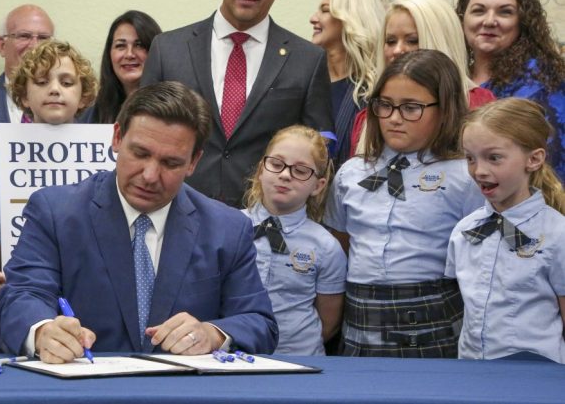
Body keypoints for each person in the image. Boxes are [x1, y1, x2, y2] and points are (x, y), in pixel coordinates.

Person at [0, 81, 278, 363]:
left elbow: (259, 322)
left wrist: (213, 334)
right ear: (117, 137)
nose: (150, 175)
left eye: (170, 163)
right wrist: (44, 331)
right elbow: (21, 298)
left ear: (194, 162)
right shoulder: (56, 212)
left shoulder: (227, 228)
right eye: (140, 154)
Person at [141, 0, 333, 208]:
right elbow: (144, 134)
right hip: (175, 215)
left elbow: (319, 151)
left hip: (264, 229)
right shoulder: (168, 49)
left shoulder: (308, 61)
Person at [324, 50, 484, 357]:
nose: (395, 118)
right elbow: (338, 248)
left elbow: (478, 262)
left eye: (412, 108)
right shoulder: (351, 173)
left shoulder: (465, 176)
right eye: (385, 105)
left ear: (445, 108)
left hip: (434, 322)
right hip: (361, 322)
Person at [0, 40, 97, 299]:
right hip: (24, 295)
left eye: (66, 82)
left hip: (94, 295)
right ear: (24, 97)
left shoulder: (109, 160)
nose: (54, 90)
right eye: (41, 82)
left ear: (84, 95)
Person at [447, 98, 565, 362]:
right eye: (470, 159)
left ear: (533, 159)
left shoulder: (558, 234)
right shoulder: (464, 231)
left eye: (494, 158)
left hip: (537, 375)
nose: (479, 171)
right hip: (472, 370)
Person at [242, 125, 345, 355]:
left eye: (300, 171)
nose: (285, 175)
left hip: (300, 360)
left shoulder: (326, 246)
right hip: (236, 357)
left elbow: (329, 323)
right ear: (261, 169)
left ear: (318, 186)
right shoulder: (229, 227)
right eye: (276, 165)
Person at [350, 0, 496, 155]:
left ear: (440, 42)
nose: (398, 50)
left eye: (412, 40)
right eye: (391, 41)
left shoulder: (478, 105)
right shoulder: (368, 117)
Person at [456, 0, 565, 179]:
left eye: (504, 12)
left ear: (522, 23)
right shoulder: (452, 74)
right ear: (462, 19)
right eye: (478, 11)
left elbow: (553, 164)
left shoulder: (542, 81)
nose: (489, 21)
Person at [308, 0, 383, 164]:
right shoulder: (306, 80)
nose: (312, 18)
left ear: (350, 20)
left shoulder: (375, 91)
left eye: (325, 11)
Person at [84, 10, 161, 124]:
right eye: (120, 46)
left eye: (139, 45)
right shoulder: (92, 116)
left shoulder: (176, 109)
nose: (129, 54)